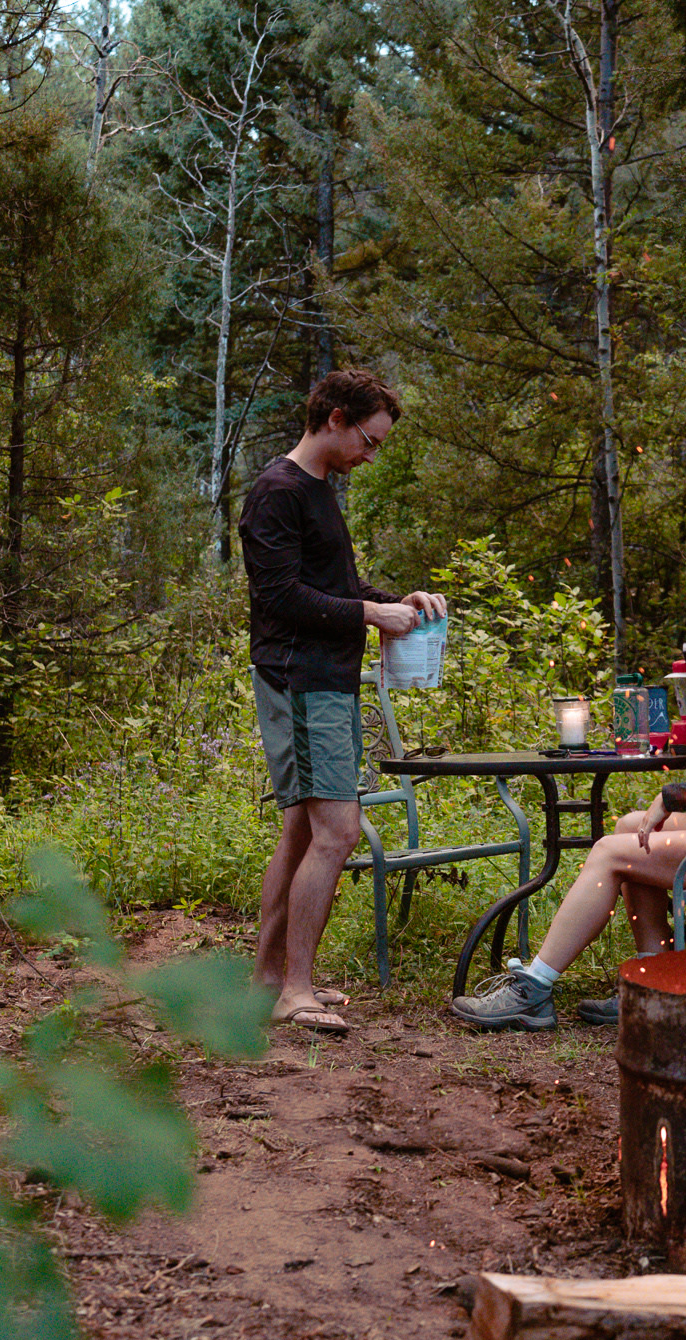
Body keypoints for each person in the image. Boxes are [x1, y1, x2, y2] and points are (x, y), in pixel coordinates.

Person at [450, 548, 686, 1031]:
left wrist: (676, 794)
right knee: (631, 828)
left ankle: (534, 988)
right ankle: (656, 984)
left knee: (612, 852)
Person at [241, 369, 447, 1036]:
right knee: (338, 829)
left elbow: (334, 582)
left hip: (325, 679)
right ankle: (292, 988)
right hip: (299, 679)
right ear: (333, 416)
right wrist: (368, 612)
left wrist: (395, 602)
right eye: (369, 439)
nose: (370, 453)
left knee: (303, 829)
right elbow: (281, 597)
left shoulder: (318, 491)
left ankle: (273, 980)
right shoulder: (276, 492)